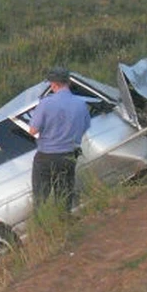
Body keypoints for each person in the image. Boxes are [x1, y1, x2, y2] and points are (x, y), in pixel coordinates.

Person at [28, 67, 91, 213]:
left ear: (53, 85)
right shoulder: (81, 104)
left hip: (46, 157)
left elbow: (33, 130)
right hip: (68, 155)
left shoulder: (45, 103)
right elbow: (85, 126)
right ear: (68, 82)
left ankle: (44, 229)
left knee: (40, 198)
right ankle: (64, 224)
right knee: (64, 196)